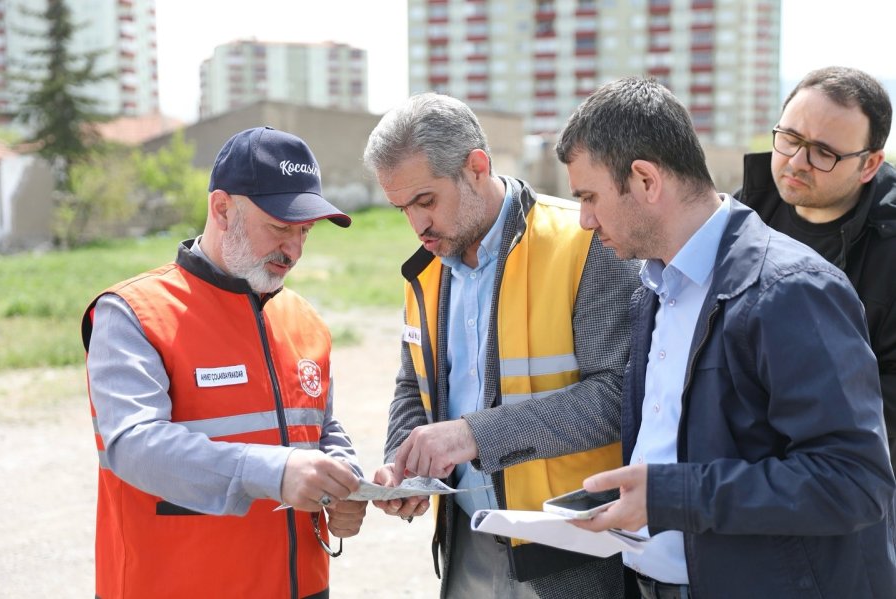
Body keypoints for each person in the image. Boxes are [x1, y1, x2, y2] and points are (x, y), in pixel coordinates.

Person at [554, 76, 896, 598]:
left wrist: (673, 494)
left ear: (646, 180)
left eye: (589, 196)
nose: (584, 219)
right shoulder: (653, 284)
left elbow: (852, 483)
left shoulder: (792, 290)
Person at [363, 92, 641, 598]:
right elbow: (414, 385)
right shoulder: (424, 271)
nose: (416, 225)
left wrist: (472, 436)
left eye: (425, 201)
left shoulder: (585, 242)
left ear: (475, 166)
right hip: (467, 543)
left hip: (570, 551)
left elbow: (619, 397)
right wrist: (402, 464)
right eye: (401, 208)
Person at [82, 126, 368, 599]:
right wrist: (275, 472)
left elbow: (321, 427)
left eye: (304, 231)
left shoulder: (305, 320)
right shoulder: (133, 314)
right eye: (280, 227)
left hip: (303, 587)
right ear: (222, 208)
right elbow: (131, 444)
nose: (294, 250)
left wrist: (341, 478)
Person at [735, 66, 896, 472]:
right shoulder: (744, 215)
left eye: (824, 152)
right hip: (744, 467)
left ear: (870, 165)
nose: (797, 161)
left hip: (849, 479)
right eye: (789, 138)